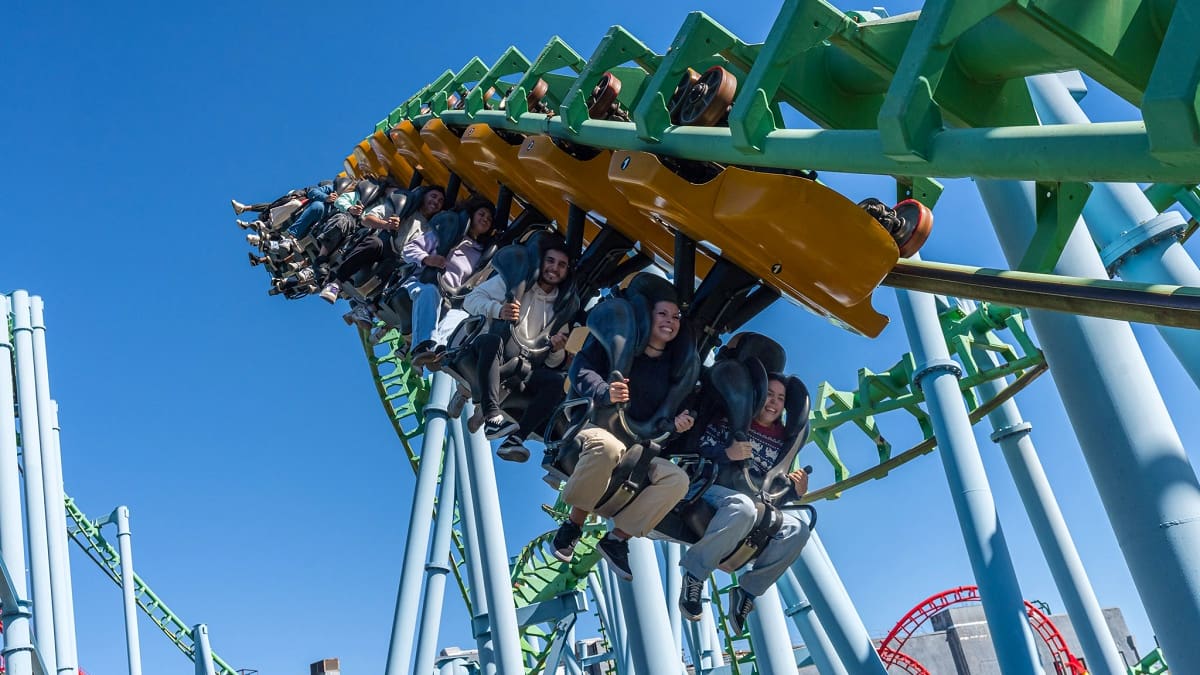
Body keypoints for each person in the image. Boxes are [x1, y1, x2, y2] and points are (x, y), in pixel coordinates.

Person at [551, 286, 696, 581]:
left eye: (676, 316)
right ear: (648, 316)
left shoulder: (674, 368)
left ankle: (617, 539)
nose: (670, 320)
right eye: (663, 314)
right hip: (592, 429)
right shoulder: (618, 345)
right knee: (608, 447)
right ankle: (573, 525)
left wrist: (681, 421)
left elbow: (676, 415)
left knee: (677, 480)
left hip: (637, 446)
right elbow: (581, 369)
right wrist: (605, 391)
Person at [678, 373, 810, 634]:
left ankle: (747, 592)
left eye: (780, 398)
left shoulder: (783, 441)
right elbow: (696, 449)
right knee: (743, 507)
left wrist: (796, 492)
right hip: (711, 489)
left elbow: (774, 491)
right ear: (758, 395)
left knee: (799, 529)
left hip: (752, 503)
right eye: (769, 394)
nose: (773, 402)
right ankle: (694, 576)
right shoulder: (728, 420)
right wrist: (728, 453)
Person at [458, 233, 574, 453]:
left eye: (562, 265)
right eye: (550, 261)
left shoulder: (562, 308)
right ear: (540, 261)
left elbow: (551, 362)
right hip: (487, 350)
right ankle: (491, 416)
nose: (555, 268)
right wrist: (498, 310)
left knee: (554, 381)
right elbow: (470, 301)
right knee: (492, 341)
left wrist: (557, 350)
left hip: (523, 366)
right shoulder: (514, 281)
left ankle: (516, 439)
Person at [318, 185, 446, 305]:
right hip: (383, 244)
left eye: (440, 201)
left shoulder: (431, 230)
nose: (436, 202)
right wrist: (386, 225)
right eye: (433, 196)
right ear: (424, 196)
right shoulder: (403, 207)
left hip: (400, 260)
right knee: (374, 243)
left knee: (399, 267)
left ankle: (367, 306)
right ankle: (335, 284)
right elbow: (366, 220)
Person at [403, 198, 496, 363]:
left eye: (489, 219)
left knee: (460, 315)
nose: (485, 220)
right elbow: (409, 249)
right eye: (482, 214)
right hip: (421, 283)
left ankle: (441, 351)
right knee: (429, 292)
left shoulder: (480, 253)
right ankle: (422, 347)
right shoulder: (447, 233)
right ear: (471, 215)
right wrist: (426, 259)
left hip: (450, 298)